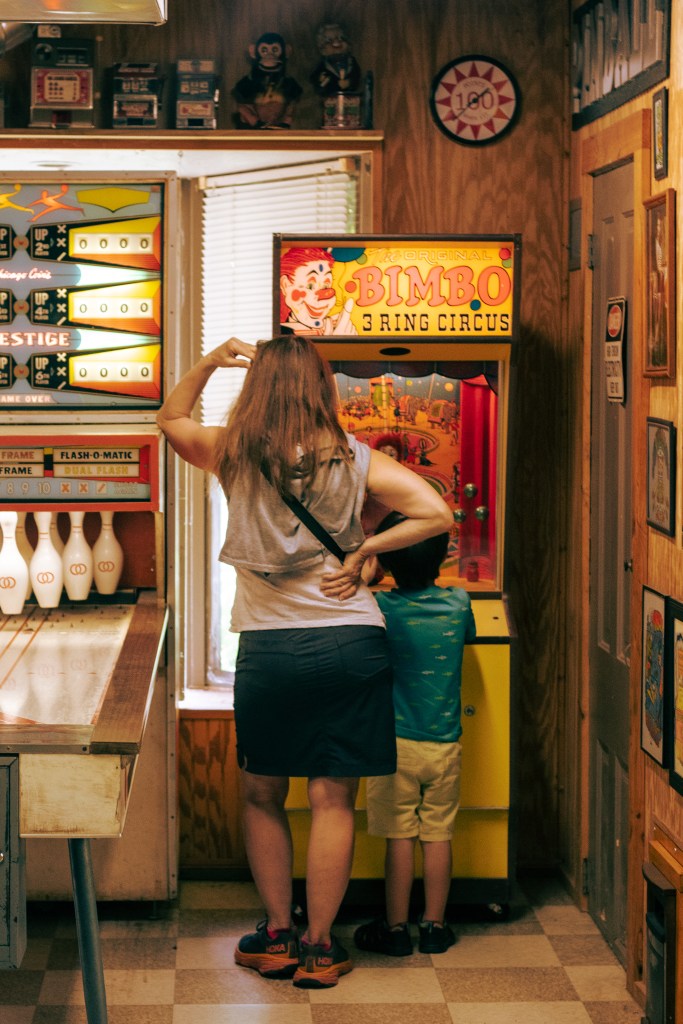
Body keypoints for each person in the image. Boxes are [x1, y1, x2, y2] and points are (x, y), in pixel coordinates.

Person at [156, 334, 453, 987]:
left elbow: (170, 419)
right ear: (321, 388)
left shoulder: (230, 454)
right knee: (332, 798)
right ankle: (321, 947)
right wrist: (361, 550)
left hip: (271, 647)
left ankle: (279, 934)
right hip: (350, 643)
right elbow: (435, 511)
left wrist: (208, 361)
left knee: (263, 793)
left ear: (257, 387)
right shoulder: (354, 460)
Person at [354, 510, 476, 957]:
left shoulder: (381, 607)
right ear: (444, 555)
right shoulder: (459, 603)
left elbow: (355, 605)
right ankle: (435, 926)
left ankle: (396, 927)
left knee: (399, 835)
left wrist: (370, 570)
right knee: (439, 833)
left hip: (395, 745)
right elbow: (469, 634)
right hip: (445, 744)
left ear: (387, 560)